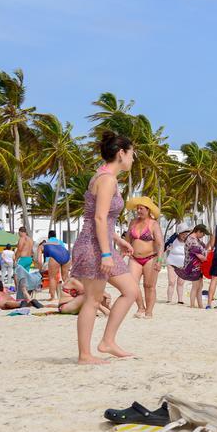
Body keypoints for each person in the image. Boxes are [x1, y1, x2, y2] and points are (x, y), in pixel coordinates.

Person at [68, 133, 140, 363]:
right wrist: (107, 253)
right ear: (121, 153)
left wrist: (117, 240)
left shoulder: (104, 177)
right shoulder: (107, 180)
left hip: (103, 243)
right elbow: (98, 218)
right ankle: (85, 355)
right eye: (132, 154)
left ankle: (108, 341)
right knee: (92, 299)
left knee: (130, 291)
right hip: (94, 247)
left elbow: (100, 218)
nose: (133, 159)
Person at [125, 196, 163, 319]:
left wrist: (160, 260)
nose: (139, 211)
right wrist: (121, 255)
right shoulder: (133, 222)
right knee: (132, 285)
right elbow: (127, 241)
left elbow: (160, 243)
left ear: (148, 210)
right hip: (134, 258)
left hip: (150, 258)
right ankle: (141, 307)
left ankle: (149, 311)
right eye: (137, 209)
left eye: (141, 209)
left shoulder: (153, 224)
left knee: (149, 286)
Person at [179, 225, 210, 308]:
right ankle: (192, 305)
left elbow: (205, 248)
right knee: (195, 286)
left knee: (200, 286)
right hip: (193, 265)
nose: (203, 236)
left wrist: (211, 241)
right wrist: (208, 261)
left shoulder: (197, 239)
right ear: (198, 231)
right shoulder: (192, 240)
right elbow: (199, 255)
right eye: (203, 234)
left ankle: (200, 305)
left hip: (197, 265)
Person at [37, 232, 70, 303]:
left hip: (55, 257)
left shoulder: (40, 246)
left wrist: (40, 270)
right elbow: (62, 249)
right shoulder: (57, 243)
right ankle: (70, 294)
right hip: (67, 255)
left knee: (52, 278)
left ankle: (52, 297)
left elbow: (39, 260)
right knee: (65, 277)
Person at [164, 223, 191, 303]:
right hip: (172, 263)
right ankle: (169, 300)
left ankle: (180, 300)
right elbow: (164, 248)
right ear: (179, 234)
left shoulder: (189, 241)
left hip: (183, 264)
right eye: (183, 233)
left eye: (186, 234)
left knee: (181, 282)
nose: (185, 235)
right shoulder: (173, 240)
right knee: (171, 282)